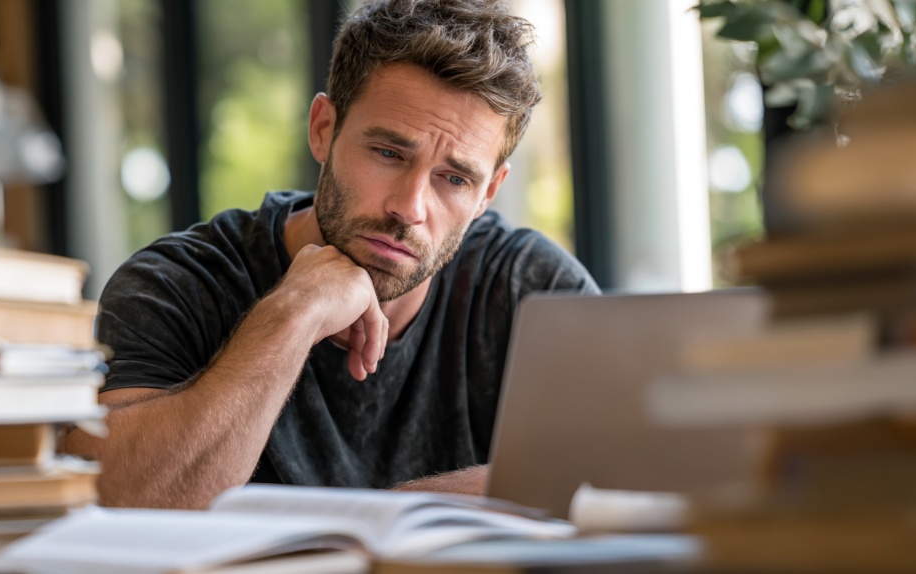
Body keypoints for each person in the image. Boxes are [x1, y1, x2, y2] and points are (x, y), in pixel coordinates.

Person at [64, 0, 598, 510]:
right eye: (388, 153)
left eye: (454, 179)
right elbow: (113, 500)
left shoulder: (529, 289)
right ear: (323, 130)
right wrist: (291, 315)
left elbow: (627, 471)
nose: (409, 208)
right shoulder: (177, 283)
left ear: (488, 194)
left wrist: (376, 514)